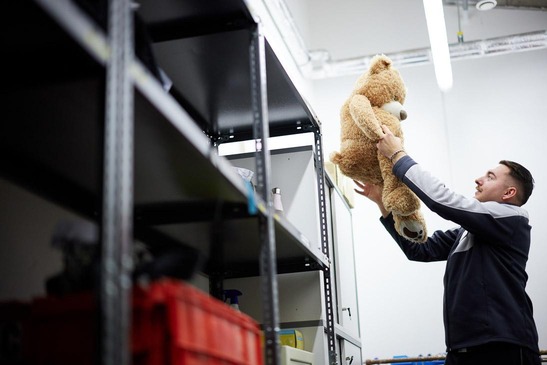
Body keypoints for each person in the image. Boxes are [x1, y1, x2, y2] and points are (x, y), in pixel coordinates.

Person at [355, 124, 540, 365]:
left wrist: (398, 156)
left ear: (509, 193)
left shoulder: (512, 219)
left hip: (501, 347)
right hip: (463, 349)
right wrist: (384, 205)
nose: (478, 179)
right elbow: (419, 249)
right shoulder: (469, 231)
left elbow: (443, 201)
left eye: (490, 176)